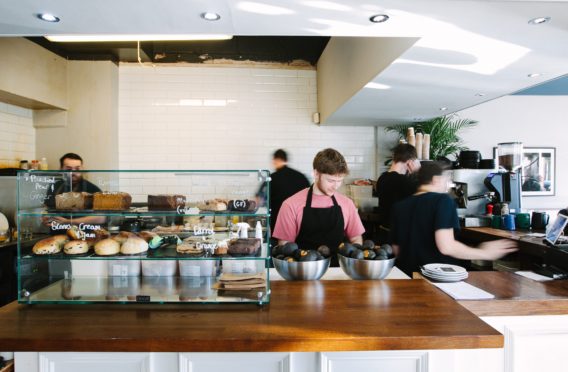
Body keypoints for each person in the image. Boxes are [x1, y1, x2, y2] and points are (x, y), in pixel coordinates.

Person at [390, 161, 518, 277]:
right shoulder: (442, 201)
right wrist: (485, 253)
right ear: (436, 180)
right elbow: (446, 247)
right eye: (447, 179)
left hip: (406, 276)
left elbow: (396, 249)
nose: (449, 185)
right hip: (437, 278)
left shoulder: (400, 206)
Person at [273, 148, 365, 266]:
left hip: (339, 273)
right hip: (304, 273)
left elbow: (356, 240)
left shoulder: (347, 204)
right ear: (316, 174)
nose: (335, 186)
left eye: (339, 181)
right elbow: (285, 248)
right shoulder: (290, 205)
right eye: (331, 180)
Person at [43, 153, 105, 236]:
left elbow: (101, 218)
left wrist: (68, 222)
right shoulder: (55, 186)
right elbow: (47, 207)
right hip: (57, 236)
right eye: (68, 169)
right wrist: (45, 217)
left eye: (77, 168)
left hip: (84, 236)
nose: (73, 172)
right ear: (61, 169)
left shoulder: (92, 189)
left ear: (82, 168)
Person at [376, 143, 421, 243]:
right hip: (399, 237)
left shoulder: (382, 178)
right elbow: (424, 198)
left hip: (383, 233)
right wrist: (417, 172)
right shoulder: (404, 182)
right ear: (410, 162)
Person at [258, 149, 310, 232]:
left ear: (276, 160)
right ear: (286, 160)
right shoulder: (301, 177)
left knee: (280, 244)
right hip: (299, 223)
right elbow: (310, 199)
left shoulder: (271, 178)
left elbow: (259, 200)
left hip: (278, 223)